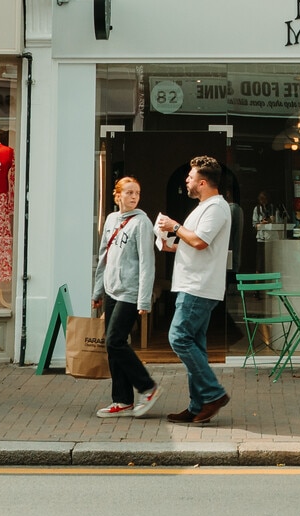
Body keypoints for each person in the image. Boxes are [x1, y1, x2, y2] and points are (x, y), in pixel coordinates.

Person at [155, 154, 232, 424]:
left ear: (202, 183)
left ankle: (213, 394)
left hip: (198, 286)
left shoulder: (216, 208)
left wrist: (174, 226)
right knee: (194, 345)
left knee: (179, 338)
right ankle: (197, 405)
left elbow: (200, 242)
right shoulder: (204, 207)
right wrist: (170, 243)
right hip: (193, 284)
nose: (186, 180)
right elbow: (193, 242)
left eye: (190, 177)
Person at [91, 176, 159, 419]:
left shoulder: (142, 223)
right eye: (129, 192)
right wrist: (98, 291)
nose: (133, 196)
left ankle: (147, 386)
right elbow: (103, 256)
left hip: (130, 292)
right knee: (114, 347)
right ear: (117, 195)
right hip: (111, 290)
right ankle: (122, 400)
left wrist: (143, 300)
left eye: (137, 193)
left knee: (114, 341)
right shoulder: (111, 219)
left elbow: (147, 263)